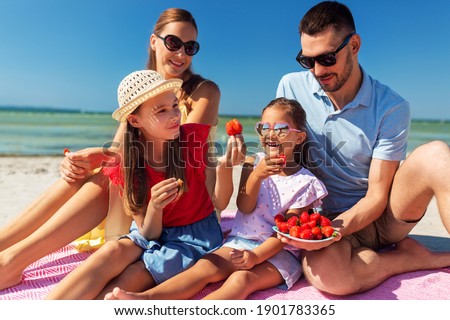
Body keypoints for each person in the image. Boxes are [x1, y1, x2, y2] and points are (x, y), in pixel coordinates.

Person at [0, 8, 221, 291]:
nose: (181, 54)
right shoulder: (140, 90)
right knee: (84, 172)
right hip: (146, 188)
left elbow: (178, 147)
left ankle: (15, 261)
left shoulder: (204, 90)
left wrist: (103, 155)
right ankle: (5, 247)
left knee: (108, 173)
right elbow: (122, 149)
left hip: (180, 198)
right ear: (154, 41)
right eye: (173, 43)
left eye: (190, 47)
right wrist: (90, 158)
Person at [275, 1, 450, 296]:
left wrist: (334, 231)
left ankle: (390, 255)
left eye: (327, 58)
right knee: (331, 279)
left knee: (437, 155)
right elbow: (286, 165)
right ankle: (406, 259)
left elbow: (378, 195)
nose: (317, 71)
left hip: (382, 217)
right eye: (308, 61)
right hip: (326, 218)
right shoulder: (291, 87)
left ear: (354, 45)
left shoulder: (391, 106)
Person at [102, 97, 329, 300]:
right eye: (264, 128)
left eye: (280, 128)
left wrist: (255, 257)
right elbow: (245, 205)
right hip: (241, 242)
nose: (270, 134)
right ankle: (147, 300)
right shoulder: (253, 163)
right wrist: (257, 174)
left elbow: (285, 234)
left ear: (299, 137)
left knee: (241, 281)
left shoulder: (305, 184)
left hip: (277, 254)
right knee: (204, 267)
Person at [45, 69, 243, 299]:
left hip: (195, 235)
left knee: (138, 272)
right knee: (113, 250)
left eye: (175, 106)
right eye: (161, 111)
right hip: (151, 230)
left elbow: (219, 200)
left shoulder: (193, 140)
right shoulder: (128, 163)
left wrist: (227, 166)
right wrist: (155, 208)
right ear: (135, 120)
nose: (175, 115)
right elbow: (148, 233)